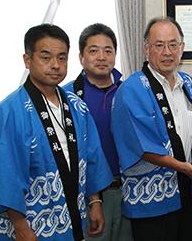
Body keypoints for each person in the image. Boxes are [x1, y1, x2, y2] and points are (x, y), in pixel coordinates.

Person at [0, 24, 113, 241]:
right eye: (46, 58)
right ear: (28, 60)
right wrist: (20, 226)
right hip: (30, 225)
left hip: (72, 216)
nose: (55, 65)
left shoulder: (77, 107)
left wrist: (94, 202)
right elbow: (7, 175)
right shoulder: (9, 112)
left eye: (62, 58)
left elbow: (92, 157)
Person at [111, 17, 192, 241]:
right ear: (146, 49)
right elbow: (141, 145)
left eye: (173, 44)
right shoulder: (132, 88)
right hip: (151, 200)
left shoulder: (190, 85)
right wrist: (184, 167)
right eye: (159, 45)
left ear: (182, 48)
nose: (167, 52)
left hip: (185, 191)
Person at [63, 23, 133, 241]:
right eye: (93, 51)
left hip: (128, 190)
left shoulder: (130, 92)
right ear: (81, 57)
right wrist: (93, 199)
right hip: (87, 195)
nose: (101, 57)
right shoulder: (67, 97)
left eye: (108, 50)